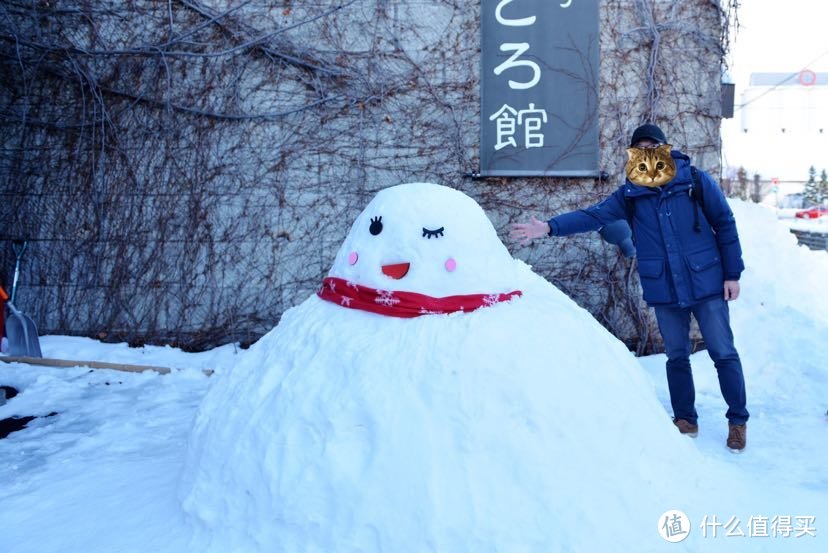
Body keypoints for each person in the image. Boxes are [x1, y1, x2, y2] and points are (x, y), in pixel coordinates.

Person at [510, 124, 749, 452]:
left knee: (723, 351)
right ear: (634, 155)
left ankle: (737, 420)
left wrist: (732, 273)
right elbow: (592, 216)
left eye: (653, 147)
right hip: (665, 288)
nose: (648, 154)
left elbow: (725, 223)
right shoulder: (631, 195)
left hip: (706, 281)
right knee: (676, 355)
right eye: (641, 148)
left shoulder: (694, 181)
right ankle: (685, 418)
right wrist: (550, 227)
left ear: (665, 149)